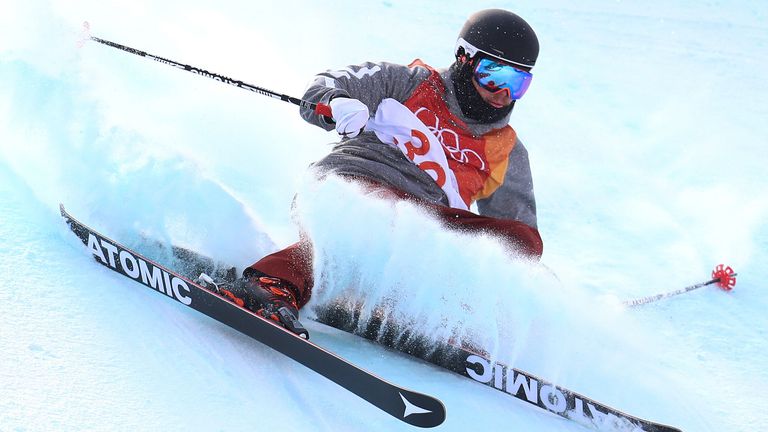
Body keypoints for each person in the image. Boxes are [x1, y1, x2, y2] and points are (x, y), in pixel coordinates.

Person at [219, 9, 544, 335]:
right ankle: (269, 284)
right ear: (464, 58)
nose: (503, 93)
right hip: (354, 187)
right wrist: (337, 103)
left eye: (518, 83)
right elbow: (325, 85)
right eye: (494, 75)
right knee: (378, 217)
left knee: (522, 242)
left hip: (423, 227)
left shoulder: (507, 151)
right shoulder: (410, 83)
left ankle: (450, 322)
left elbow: (516, 252)